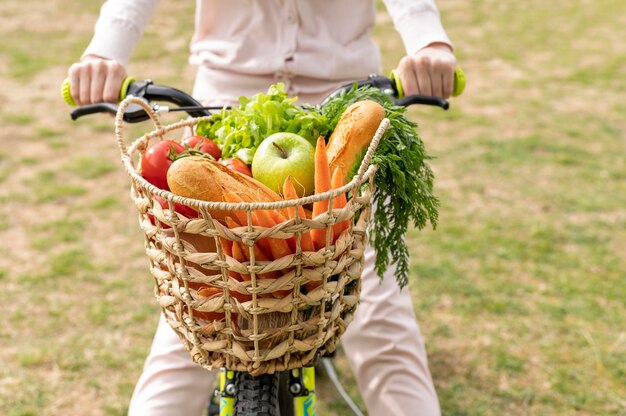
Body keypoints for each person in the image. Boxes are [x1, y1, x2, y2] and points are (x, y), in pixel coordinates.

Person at [68, 1, 457, 415]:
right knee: (199, 312)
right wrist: (104, 52)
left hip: (341, 107)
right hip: (226, 108)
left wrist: (429, 41)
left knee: (380, 317)